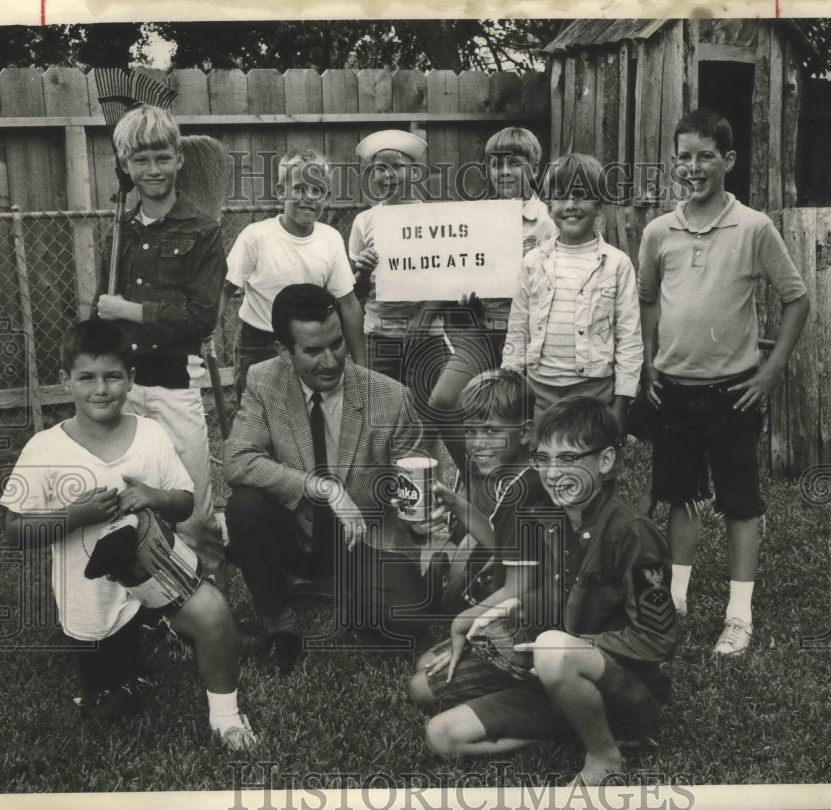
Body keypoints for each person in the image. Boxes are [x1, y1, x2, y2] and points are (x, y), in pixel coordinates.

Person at [0, 319, 257, 750]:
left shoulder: (150, 434)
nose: (101, 389)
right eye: (87, 378)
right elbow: (13, 531)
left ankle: (226, 716)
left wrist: (153, 496)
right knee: (110, 709)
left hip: (156, 566)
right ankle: (130, 657)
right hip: (92, 597)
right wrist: (74, 516)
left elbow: (185, 502)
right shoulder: (45, 448)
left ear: (130, 379)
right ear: (65, 381)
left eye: (113, 377)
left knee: (213, 613)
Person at [416, 396, 677, 786]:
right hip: (553, 674)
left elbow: (657, 639)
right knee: (440, 735)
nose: (553, 473)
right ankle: (574, 721)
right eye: (543, 459)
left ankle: (605, 756)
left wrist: (570, 647)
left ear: (605, 462)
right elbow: (560, 597)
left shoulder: (634, 534)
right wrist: (513, 612)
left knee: (554, 650)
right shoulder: (549, 518)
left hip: (626, 693)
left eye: (569, 459)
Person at [637, 108, 809, 655]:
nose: (693, 167)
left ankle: (739, 614)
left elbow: (796, 298)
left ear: (728, 161)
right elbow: (646, 299)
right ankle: (678, 596)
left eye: (705, 156)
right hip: (674, 388)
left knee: (739, 501)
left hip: (734, 390)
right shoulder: (658, 231)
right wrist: (648, 362)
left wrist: (771, 370)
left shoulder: (754, 227)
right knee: (678, 495)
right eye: (683, 156)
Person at [223, 283, 432, 672]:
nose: (332, 361)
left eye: (336, 344)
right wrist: (321, 486)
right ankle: (280, 625)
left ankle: (344, 587)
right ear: (283, 351)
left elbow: (415, 492)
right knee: (244, 506)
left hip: (363, 535)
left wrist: (425, 520)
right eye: (313, 351)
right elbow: (236, 459)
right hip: (297, 530)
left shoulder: (390, 396)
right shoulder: (264, 380)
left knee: (405, 621)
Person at [94, 104, 226, 586]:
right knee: (126, 491)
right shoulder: (120, 231)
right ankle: (145, 598)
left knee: (191, 498)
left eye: (162, 157)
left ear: (179, 160)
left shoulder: (203, 230)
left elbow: (199, 316)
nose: (153, 170)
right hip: (126, 385)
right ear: (125, 167)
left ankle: (209, 592)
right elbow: (102, 309)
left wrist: (127, 311)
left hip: (175, 384)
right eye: (140, 160)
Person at [428, 127, 557, 471]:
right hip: (486, 332)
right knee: (443, 400)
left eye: (514, 163)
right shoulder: (477, 219)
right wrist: (463, 295)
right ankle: (477, 480)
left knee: (520, 414)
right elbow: (463, 275)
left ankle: (521, 481)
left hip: (531, 336)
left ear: (535, 167)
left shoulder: (547, 222)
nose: (503, 172)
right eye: (495, 164)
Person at [502, 153, 642, 440]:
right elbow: (518, 329)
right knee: (545, 466)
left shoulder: (616, 264)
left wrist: (621, 402)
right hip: (540, 389)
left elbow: (629, 338)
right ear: (549, 204)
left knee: (592, 466)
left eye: (581, 196)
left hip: (594, 391)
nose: (571, 206)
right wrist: (512, 381)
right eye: (561, 197)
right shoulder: (533, 262)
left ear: (599, 204)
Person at [219, 148, 365, 402]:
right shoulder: (256, 236)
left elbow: (349, 304)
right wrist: (206, 327)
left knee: (310, 414)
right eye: (299, 188)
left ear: (327, 196)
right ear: (280, 191)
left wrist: (362, 368)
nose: (308, 197)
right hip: (260, 342)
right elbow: (224, 290)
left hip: (312, 343)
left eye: (317, 190)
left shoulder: (329, 239)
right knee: (259, 416)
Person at [409, 367, 547, 614]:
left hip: (540, 595)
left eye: (491, 431)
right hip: (528, 576)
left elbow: (519, 588)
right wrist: (453, 501)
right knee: (460, 589)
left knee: (461, 604)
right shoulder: (520, 477)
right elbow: (503, 545)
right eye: (470, 431)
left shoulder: (523, 493)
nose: (477, 443)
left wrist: (463, 620)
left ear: (525, 433)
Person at [348, 130, 447, 409]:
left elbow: (448, 279)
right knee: (382, 411)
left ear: (414, 173)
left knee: (428, 410)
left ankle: (426, 455)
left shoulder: (434, 219)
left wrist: (425, 315)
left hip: (425, 336)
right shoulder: (364, 221)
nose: (388, 175)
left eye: (397, 167)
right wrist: (364, 271)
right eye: (380, 168)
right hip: (380, 335)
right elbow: (356, 292)